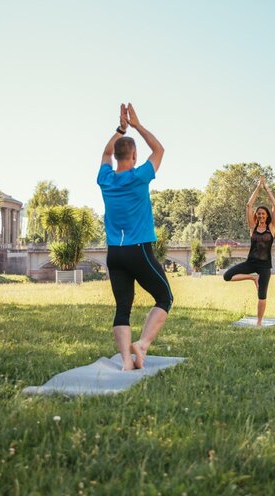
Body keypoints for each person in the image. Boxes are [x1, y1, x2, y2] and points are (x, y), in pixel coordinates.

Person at [97, 104, 172, 371]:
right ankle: (141, 345)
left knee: (123, 308)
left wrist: (121, 128)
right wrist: (137, 125)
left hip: (114, 253)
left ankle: (126, 361)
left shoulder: (105, 178)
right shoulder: (139, 177)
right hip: (138, 250)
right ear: (135, 155)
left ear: (117, 156)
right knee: (165, 298)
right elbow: (160, 150)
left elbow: (106, 152)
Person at [222, 176, 275, 327]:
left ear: (267, 215)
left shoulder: (271, 228)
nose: (260, 215)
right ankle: (252, 278)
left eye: (263, 213)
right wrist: (258, 188)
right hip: (250, 263)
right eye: (258, 213)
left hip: (265, 266)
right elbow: (249, 205)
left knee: (262, 296)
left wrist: (266, 188)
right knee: (227, 276)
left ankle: (259, 323)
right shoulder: (252, 227)